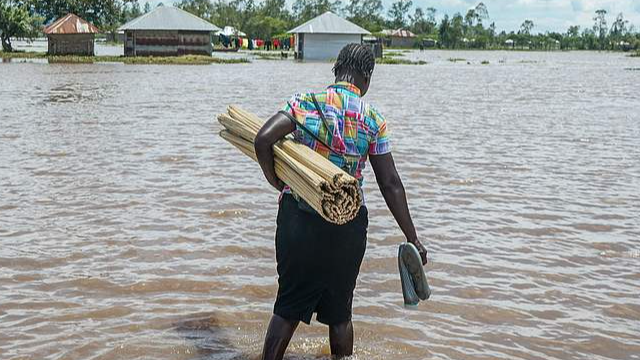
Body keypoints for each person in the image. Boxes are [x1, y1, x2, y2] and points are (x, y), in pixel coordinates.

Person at [254, 43, 428, 360]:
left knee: (288, 306)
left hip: (298, 219)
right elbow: (390, 184)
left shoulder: (305, 103)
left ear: (337, 70)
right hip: (346, 226)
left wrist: (277, 180)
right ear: (367, 76)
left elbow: (263, 139)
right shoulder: (373, 119)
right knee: (340, 313)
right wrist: (412, 237)